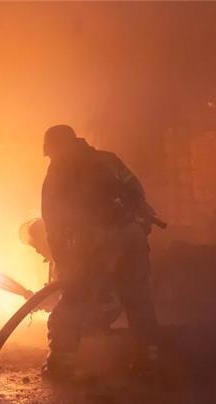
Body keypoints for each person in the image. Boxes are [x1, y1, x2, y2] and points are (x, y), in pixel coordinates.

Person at [40, 124, 161, 381]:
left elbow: (53, 223)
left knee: (74, 298)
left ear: (56, 148)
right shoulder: (108, 160)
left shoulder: (59, 173)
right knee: (138, 298)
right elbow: (137, 192)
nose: (51, 158)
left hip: (96, 240)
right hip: (132, 235)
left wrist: (64, 263)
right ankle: (149, 359)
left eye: (50, 153)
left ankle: (62, 363)